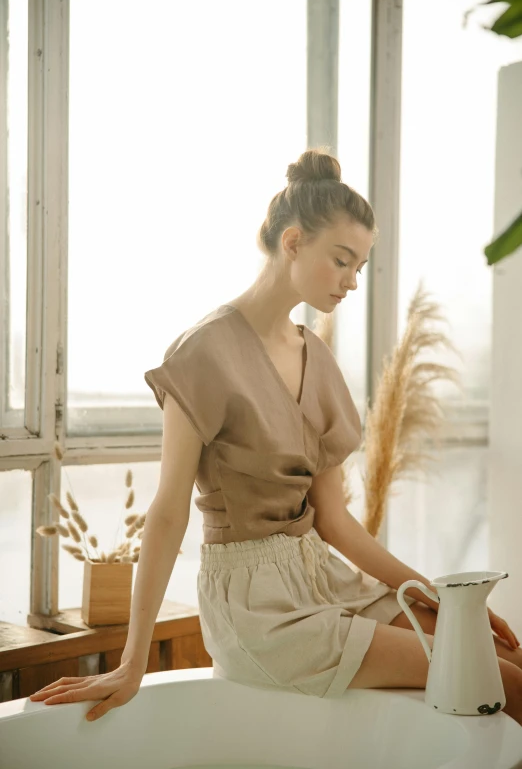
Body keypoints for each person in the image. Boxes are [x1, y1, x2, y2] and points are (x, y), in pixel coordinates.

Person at [29, 148, 522, 724]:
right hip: (257, 609)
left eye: (360, 266)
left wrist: (437, 597)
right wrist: (132, 661)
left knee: (504, 652)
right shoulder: (203, 352)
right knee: (502, 680)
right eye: (342, 261)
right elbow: (167, 513)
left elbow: (334, 521)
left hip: (326, 580)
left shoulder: (317, 356)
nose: (353, 282)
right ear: (293, 243)